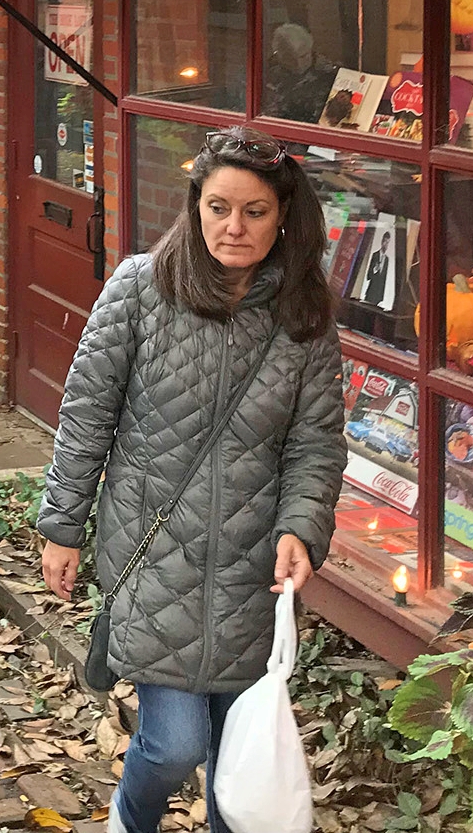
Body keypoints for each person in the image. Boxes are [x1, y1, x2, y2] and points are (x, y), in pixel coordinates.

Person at [36, 125, 344, 833]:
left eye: (255, 212)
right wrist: (63, 527)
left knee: (239, 763)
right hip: (153, 554)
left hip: (251, 566)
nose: (234, 227)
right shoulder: (139, 289)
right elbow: (87, 415)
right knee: (175, 745)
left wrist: (302, 526)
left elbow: (316, 442)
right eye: (218, 208)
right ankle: (130, 820)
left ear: (283, 216)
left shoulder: (303, 316)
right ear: (195, 205)